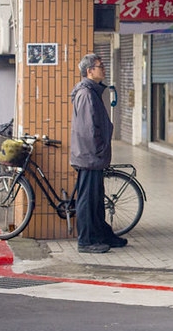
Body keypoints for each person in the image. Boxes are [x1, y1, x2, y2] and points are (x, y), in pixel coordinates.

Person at [70, 53, 127, 254]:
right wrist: (100, 150)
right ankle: (86, 241)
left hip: (92, 156)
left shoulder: (92, 91)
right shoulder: (86, 94)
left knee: (96, 198)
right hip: (89, 156)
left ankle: (102, 233)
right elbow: (88, 130)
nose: (103, 68)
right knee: (87, 199)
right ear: (89, 71)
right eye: (99, 66)